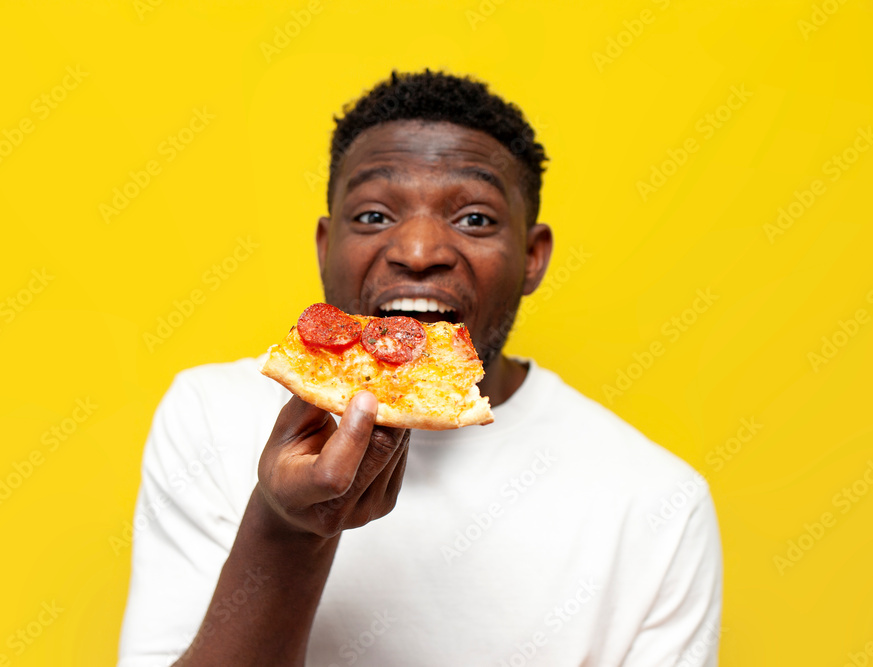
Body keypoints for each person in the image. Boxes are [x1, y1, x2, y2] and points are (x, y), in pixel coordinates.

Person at [117, 70, 723, 667]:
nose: (418, 252)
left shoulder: (661, 502)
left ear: (533, 257)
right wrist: (286, 529)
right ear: (325, 247)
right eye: (374, 216)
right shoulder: (209, 414)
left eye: (475, 218)